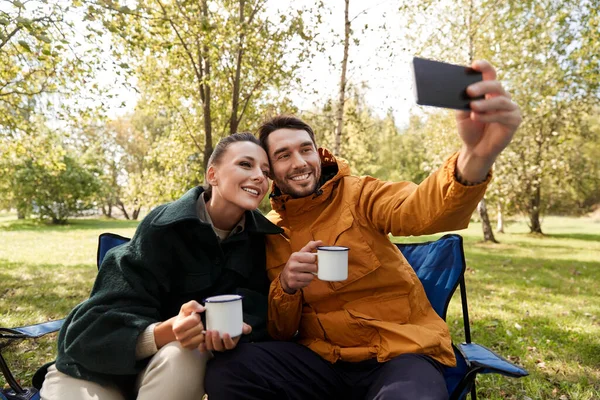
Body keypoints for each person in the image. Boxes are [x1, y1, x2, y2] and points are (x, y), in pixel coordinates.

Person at [205, 60, 522, 399]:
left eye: (305, 149)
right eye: (283, 155)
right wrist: (286, 287)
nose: (298, 162)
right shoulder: (271, 232)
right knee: (229, 370)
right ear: (270, 172)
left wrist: (475, 156)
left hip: (398, 355)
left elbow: (423, 210)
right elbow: (282, 333)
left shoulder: (360, 194)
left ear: (319, 153)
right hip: (323, 363)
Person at [39, 133, 282, 400]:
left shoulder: (263, 240)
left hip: (168, 370)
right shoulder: (162, 228)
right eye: (246, 164)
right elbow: (85, 334)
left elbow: (258, 311)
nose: (260, 176)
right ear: (213, 175)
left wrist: (234, 331)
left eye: (266, 171)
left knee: (189, 351)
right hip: (93, 371)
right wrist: (164, 331)